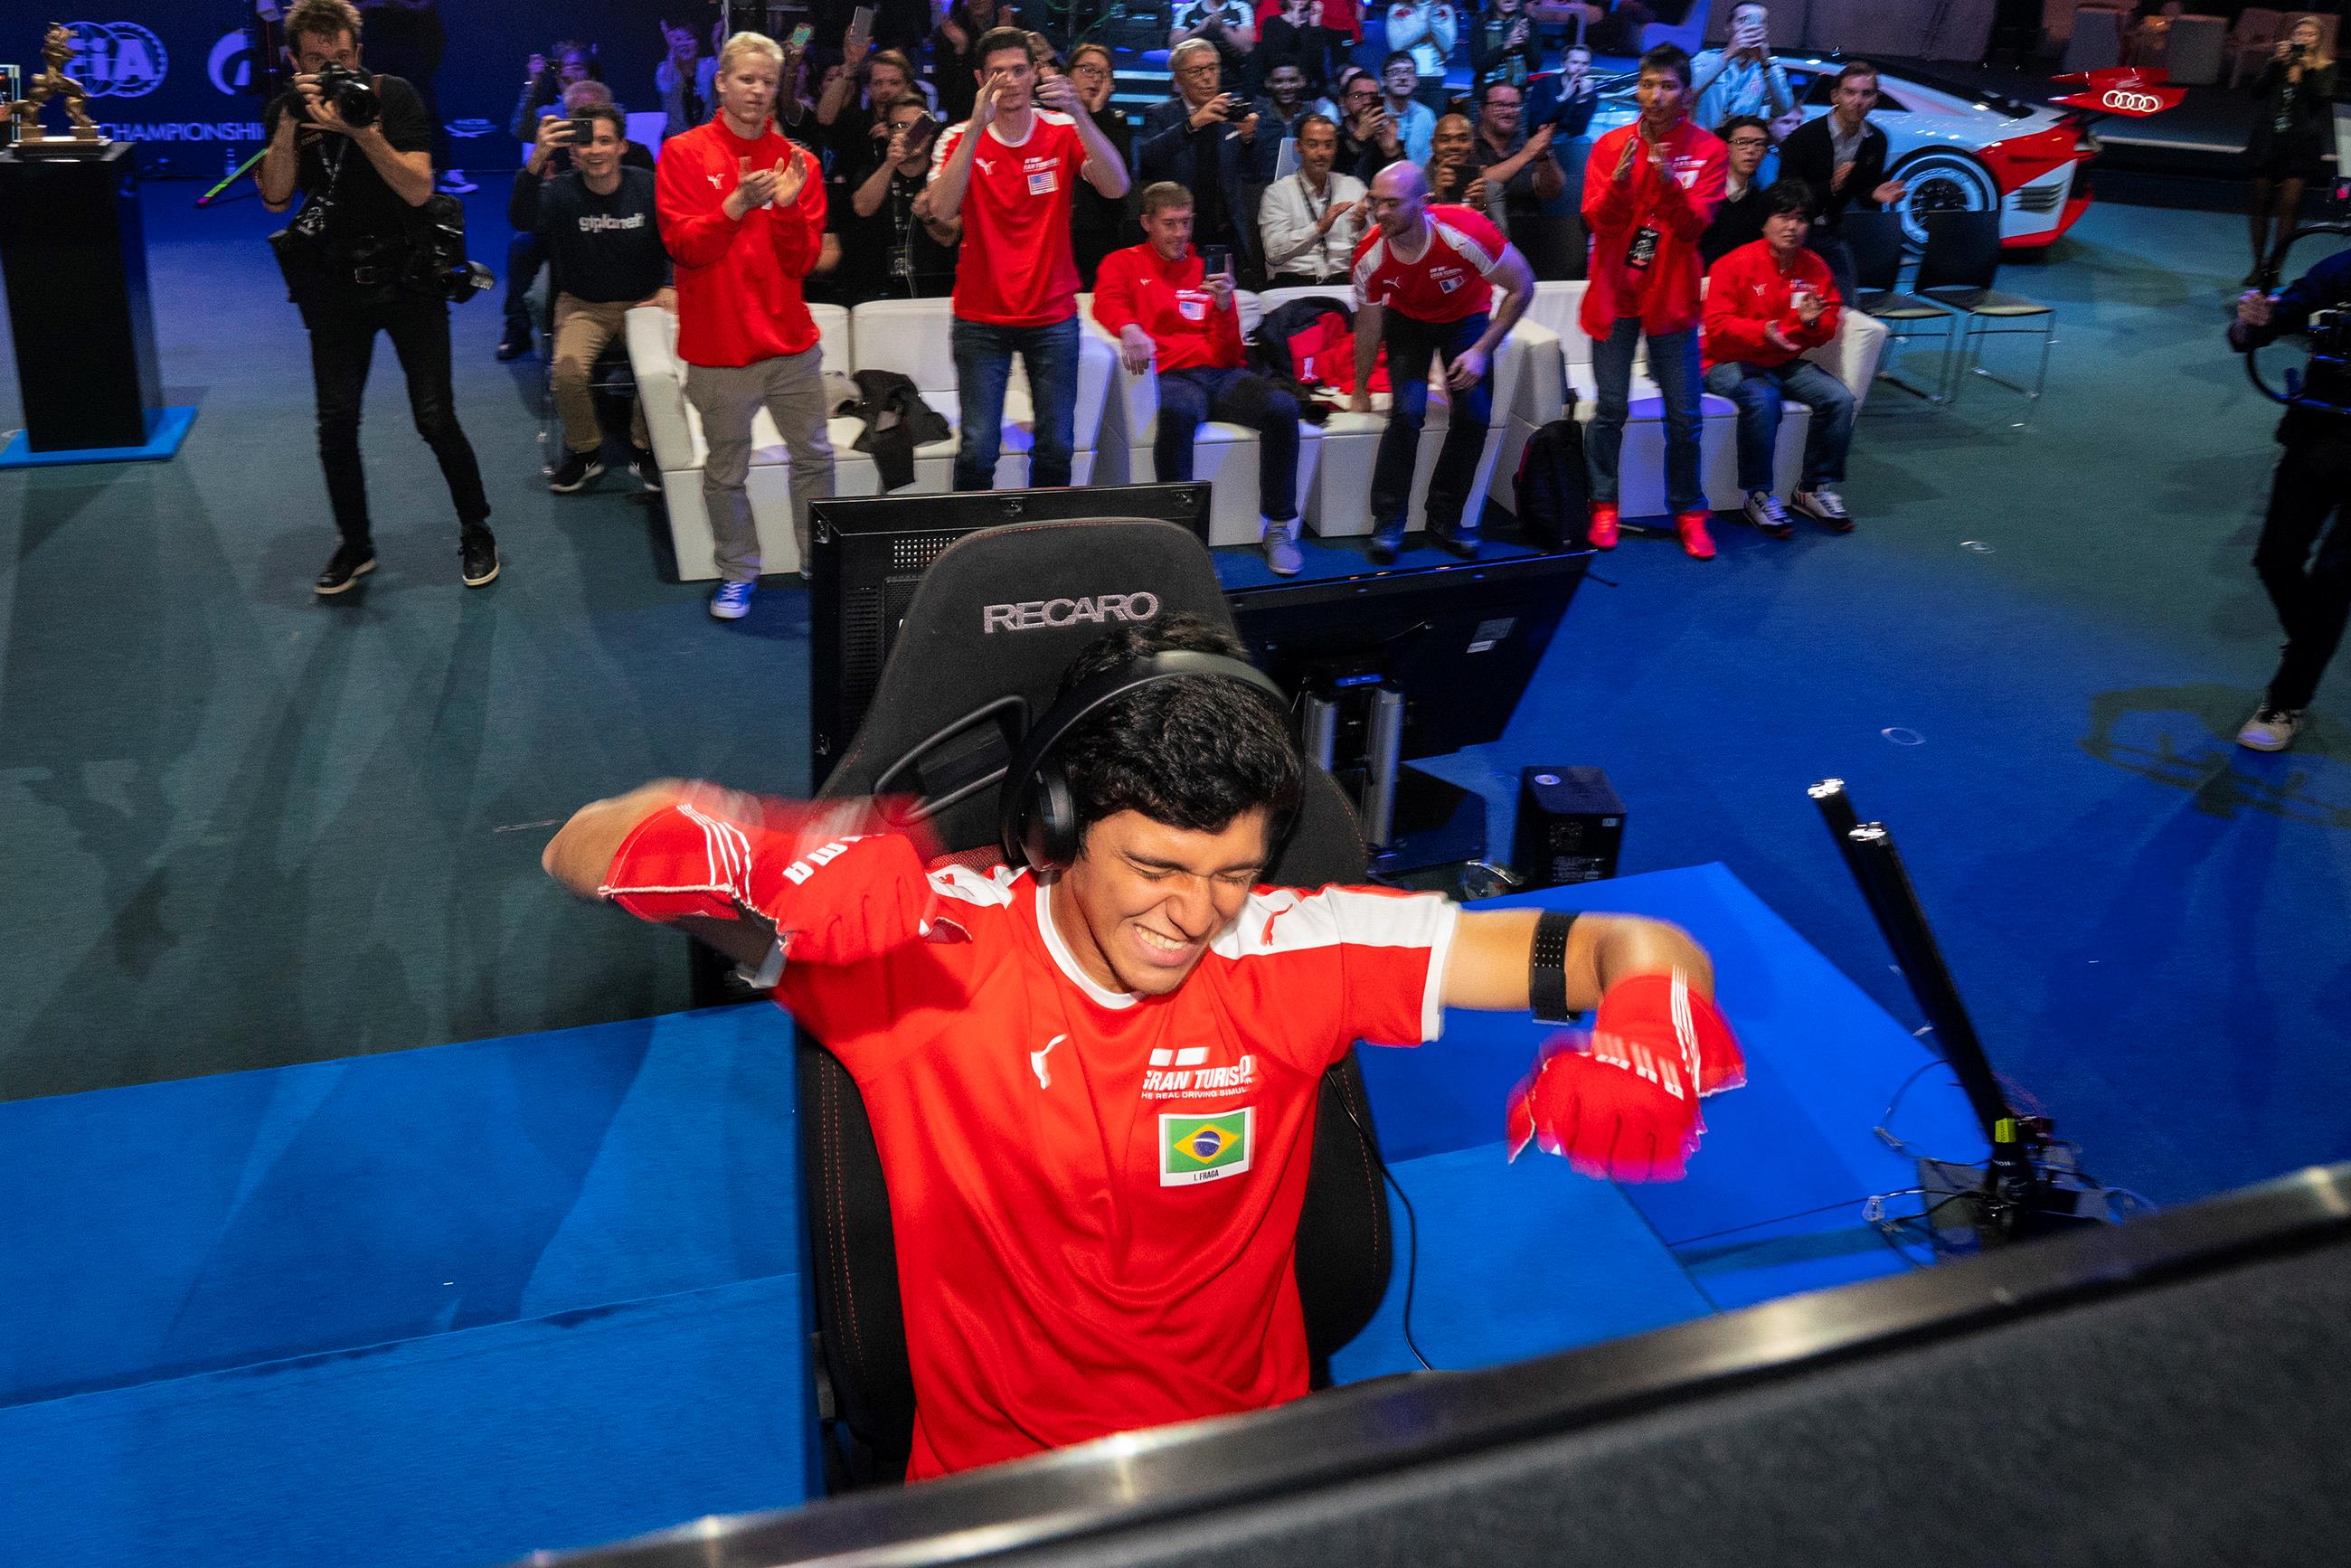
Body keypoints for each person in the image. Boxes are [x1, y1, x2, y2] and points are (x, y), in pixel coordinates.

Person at [540, 612, 1743, 1479]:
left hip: (1248, 1469)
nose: (1194, 913)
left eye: (1232, 871)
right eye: (1156, 865)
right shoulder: (929, 948)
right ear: (1056, 829)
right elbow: (585, 847)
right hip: (1007, 1494)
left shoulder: (1293, 944)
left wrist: (1652, 1016)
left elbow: (1626, 944)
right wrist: (756, 851)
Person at [259, 0, 497, 595]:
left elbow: (418, 189)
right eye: (317, 60)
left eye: (342, 57)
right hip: (333, 286)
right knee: (336, 424)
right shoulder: (287, 110)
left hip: (408, 278)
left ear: (359, 53)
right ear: (295, 61)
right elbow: (276, 197)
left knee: (435, 417)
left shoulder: (394, 98)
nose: (332, 69)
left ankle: (477, 529)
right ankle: (356, 544)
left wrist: (361, 132)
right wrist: (288, 124)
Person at [655, 31, 834, 619]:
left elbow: (802, 262)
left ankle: (819, 563)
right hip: (719, 351)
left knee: (815, 460)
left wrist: (785, 205)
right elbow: (683, 246)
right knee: (726, 472)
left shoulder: (800, 163)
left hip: (791, 348)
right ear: (722, 83)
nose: (758, 90)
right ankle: (738, 572)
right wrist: (733, 206)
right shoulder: (683, 152)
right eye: (746, 79)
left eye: (768, 81)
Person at [929, 25, 1132, 491]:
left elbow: (1116, 186)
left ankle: (1047, 535)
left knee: (1057, 445)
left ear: (1035, 72)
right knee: (978, 448)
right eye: (997, 73)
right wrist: (976, 126)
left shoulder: (1061, 128)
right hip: (981, 315)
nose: (1010, 82)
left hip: (1052, 313)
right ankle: (974, 537)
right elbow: (940, 211)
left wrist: (1078, 112)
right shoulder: (957, 136)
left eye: (1019, 70)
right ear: (980, 79)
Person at [1095, 184, 1308, 573]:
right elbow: (1107, 301)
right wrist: (1129, 327)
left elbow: (1230, 354)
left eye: (1186, 223)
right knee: (1176, 414)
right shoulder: (1122, 263)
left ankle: (1279, 528)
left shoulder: (1207, 268)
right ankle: (1182, 538)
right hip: (1173, 376)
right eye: (1170, 224)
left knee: (1282, 407)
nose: (1180, 234)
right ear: (1147, 222)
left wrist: (1225, 307)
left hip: (1222, 374)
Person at [1348, 161, 1539, 562]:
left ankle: (1445, 519)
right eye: (1376, 201)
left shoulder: (1465, 231)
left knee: (1474, 416)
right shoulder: (1370, 253)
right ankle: (1389, 521)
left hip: (1465, 321)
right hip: (1408, 323)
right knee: (1407, 413)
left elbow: (1522, 287)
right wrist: (1360, 387)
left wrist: (1481, 351)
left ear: (1423, 202)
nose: (1380, 212)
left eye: (1392, 203)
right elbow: (1367, 325)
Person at [1580, 43, 1727, 560]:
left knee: (1685, 416)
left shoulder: (1709, 150)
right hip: (1615, 292)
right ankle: (1603, 503)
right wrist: (1621, 185)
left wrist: (1668, 185)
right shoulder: (1610, 145)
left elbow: (1693, 226)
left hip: (1671, 297)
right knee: (1610, 409)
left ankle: (1689, 511)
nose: (1656, 95)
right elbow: (1598, 222)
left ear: (1685, 93)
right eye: (1647, 84)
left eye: (1667, 86)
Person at [515, 103, 673, 494]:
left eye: (606, 141)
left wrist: (669, 286)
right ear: (573, 151)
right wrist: (537, 157)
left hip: (644, 303)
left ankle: (645, 448)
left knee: (659, 372)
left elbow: (676, 239)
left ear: (622, 146)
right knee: (567, 374)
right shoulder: (560, 191)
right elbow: (521, 219)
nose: (596, 150)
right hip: (584, 305)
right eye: (587, 143)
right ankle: (585, 452)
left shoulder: (649, 185)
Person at [2228, 250, 2351, 751]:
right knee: (2275, 560)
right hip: (2317, 436)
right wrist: (2250, 321)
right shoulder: (2341, 269)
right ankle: (2311, 646)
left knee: (2335, 578)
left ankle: (2286, 700)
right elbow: (2255, 332)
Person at [1701, 179, 1855, 537]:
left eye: (1800, 219)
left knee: (1840, 399)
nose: (1792, 227)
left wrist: (1812, 323)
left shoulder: (1815, 267)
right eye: (1783, 217)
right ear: (1765, 223)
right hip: (1725, 361)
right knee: (1762, 397)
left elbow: (1827, 326)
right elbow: (1718, 326)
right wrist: (1765, 331)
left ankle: (1812, 489)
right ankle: (1759, 495)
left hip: (1782, 361)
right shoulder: (1734, 263)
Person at [502, 42, 602, 360]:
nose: (570, 74)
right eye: (564, 67)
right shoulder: (550, 117)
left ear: (591, 73)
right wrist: (533, 83)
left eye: (578, 67)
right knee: (521, 245)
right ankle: (516, 326)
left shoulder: (607, 112)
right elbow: (519, 129)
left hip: (599, 217)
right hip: (555, 216)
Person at [1776, 60, 1905, 304]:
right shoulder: (1804, 137)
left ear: (1875, 99)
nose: (1858, 101)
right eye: (1850, 92)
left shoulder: (1875, 139)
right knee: (1791, 305)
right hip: (1793, 232)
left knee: (1846, 306)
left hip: (1832, 232)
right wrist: (1831, 186)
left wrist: (1874, 194)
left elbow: (1862, 191)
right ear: (1835, 96)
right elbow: (1786, 194)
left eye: (1866, 94)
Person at [1139, 40, 1264, 283]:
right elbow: (1146, 158)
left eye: (1212, 68)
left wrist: (1248, 138)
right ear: (1178, 78)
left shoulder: (1232, 113)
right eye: (1197, 71)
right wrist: (1193, 123)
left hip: (1226, 235)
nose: (1207, 77)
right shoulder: (1160, 114)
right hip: (1176, 235)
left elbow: (1255, 173)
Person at [841, 92, 961, 301]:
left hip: (936, 290)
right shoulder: (870, 172)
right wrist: (891, 163)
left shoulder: (944, 176)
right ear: (888, 133)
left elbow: (949, 237)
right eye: (900, 126)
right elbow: (862, 207)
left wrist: (930, 218)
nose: (909, 134)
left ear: (930, 132)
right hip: (879, 293)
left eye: (918, 126)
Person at [2246, 16, 2336, 288]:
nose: (2303, 38)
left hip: (2300, 145)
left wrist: (2307, 71)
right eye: (2299, 33)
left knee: (2289, 206)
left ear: (2319, 41)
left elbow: (2321, 99)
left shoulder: (2326, 67)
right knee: (2260, 204)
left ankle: (2274, 270)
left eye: (2310, 34)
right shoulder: (2277, 64)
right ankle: (2258, 266)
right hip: (2267, 140)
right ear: (2291, 36)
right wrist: (2275, 63)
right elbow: (2256, 92)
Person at [357, 0, 465, 193]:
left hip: (412, 39)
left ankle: (442, 170)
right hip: (374, 41)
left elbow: (424, 5)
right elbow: (352, 7)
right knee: (369, 105)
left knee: (425, 107)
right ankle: (366, 171)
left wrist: (405, 5)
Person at [1259, 113, 1368, 284]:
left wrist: (1362, 227)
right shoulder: (1277, 193)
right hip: (1293, 282)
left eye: (1328, 145)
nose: (1321, 153)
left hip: (1344, 281)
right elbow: (1273, 253)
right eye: (1313, 145)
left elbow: (1374, 249)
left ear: (1336, 148)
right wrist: (1319, 228)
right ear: (1299, 147)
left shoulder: (1354, 187)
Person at [1068, 43, 1135, 288]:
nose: (1096, 78)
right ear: (1068, 75)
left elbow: (1121, 174)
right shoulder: (1052, 119)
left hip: (1100, 232)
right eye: (1088, 69)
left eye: (1104, 74)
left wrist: (1096, 112)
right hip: (1058, 232)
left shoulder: (1116, 121)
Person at [1689, 3, 1797, 144]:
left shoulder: (1769, 67)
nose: (1750, 28)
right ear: (1728, 27)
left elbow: (1783, 108)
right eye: (1743, 21)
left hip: (1739, 149)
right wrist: (1727, 55)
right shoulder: (1705, 60)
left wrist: (1765, 64)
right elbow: (1688, 93)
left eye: (1759, 23)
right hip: (1702, 145)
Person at [1468, 79, 1563, 232]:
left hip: (1529, 234)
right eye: (1499, 105)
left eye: (1513, 106)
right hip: (1479, 235)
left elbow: (1552, 192)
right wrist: (1526, 154)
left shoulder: (1527, 145)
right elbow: (1475, 183)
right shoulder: (1466, 144)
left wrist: (1544, 157)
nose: (1508, 112)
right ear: (1481, 109)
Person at [816, 41, 918, 179]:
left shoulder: (922, 121)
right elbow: (824, 118)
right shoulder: (856, 123)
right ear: (868, 88)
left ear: (908, 87)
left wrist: (896, 135)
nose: (885, 90)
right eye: (878, 83)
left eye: (894, 83)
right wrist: (849, 66)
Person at [1699, 113, 1771, 267]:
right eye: (1742, 142)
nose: (1751, 150)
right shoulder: (1703, 192)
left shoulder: (1763, 203)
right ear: (1725, 147)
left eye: (1759, 144)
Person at [933, 0, 1016, 123]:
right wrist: (960, 51)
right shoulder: (950, 29)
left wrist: (1005, 39)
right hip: (965, 117)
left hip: (1009, 112)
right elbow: (946, 96)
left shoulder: (1013, 22)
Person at [1251, 62, 1331, 182]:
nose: (1286, 87)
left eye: (1292, 80)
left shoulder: (1312, 118)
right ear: (1268, 83)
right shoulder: (1256, 120)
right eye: (1278, 81)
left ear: (1302, 81)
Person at [1385, 0, 1459, 111]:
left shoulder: (1444, 9)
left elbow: (1448, 46)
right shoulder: (1397, 8)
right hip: (1406, 78)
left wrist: (1434, 22)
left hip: (1435, 78)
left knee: (1435, 120)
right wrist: (1426, 24)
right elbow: (1396, 45)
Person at [1336, 68, 1404, 181]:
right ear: (1344, 101)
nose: (1367, 102)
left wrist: (1392, 152)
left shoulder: (1385, 136)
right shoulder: (1333, 137)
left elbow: (1405, 182)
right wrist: (1358, 138)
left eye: (1373, 96)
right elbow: (1332, 176)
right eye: (1358, 96)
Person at [1375, 50, 1439, 164]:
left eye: (1408, 72)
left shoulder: (1426, 115)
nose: (1402, 78)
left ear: (1416, 81)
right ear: (1383, 81)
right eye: (1395, 72)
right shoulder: (1376, 116)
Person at [1170, 0, 1258, 82]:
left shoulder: (1240, 8)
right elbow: (1174, 46)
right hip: (1195, 79)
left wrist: (1223, 28)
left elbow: (1247, 47)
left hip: (1233, 78)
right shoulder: (1189, 8)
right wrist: (1198, 30)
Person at [655, 18, 707, 141]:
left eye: (689, 38)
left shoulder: (709, 66)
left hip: (705, 139)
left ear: (697, 43)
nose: (684, 43)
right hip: (675, 139)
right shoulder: (664, 69)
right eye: (678, 40)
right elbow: (665, 87)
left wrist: (716, 43)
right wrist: (672, 51)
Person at [1470, 0, 1540, 93]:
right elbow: (1478, 65)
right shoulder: (1481, 23)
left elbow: (1535, 66)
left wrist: (1527, 43)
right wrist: (1507, 45)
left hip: (1517, 93)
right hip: (1486, 93)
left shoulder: (1527, 23)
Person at [1425, 111, 1478, 203]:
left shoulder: (1489, 188)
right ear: (1433, 145)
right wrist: (1436, 198)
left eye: (1463, 139)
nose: (1454, 146)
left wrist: (1481, 207)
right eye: (1445, 140)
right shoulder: (1415, 186)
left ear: (1473, 144)